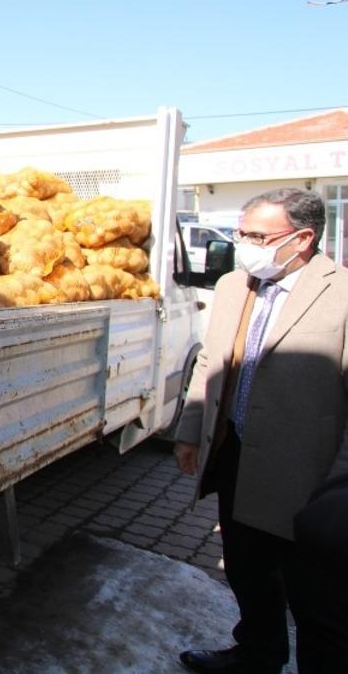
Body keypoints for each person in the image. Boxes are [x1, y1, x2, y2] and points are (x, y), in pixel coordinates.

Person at [174, 188, 348, 673]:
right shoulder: (234, 285)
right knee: (248, 572)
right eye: (240, 233)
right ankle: (256, 653)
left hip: (310, 479)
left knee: (317, 601)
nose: (244, 244)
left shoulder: (342, 293)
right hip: (236, 457)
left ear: (303, 238)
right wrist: (190, 431)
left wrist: (339, 487)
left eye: (257, 235)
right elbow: (210, 361)